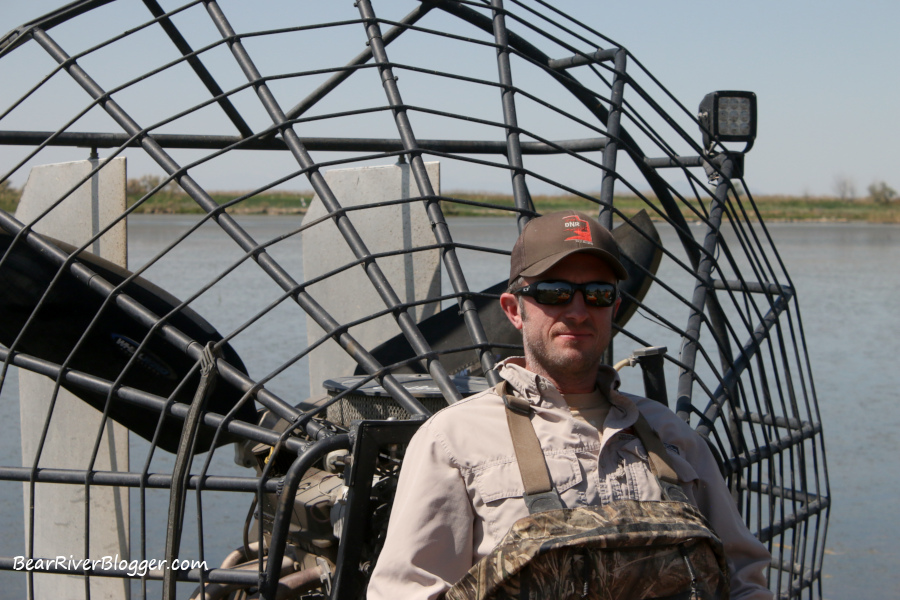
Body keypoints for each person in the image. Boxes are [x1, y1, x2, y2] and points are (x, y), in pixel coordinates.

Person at [367, 211, 773, 600]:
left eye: (597, 294)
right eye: (553, 293)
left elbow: (742, 579)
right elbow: (406, 592)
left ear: (614, 308)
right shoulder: (452, 440)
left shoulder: (672, 435)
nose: (578, 311)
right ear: (513, 310)